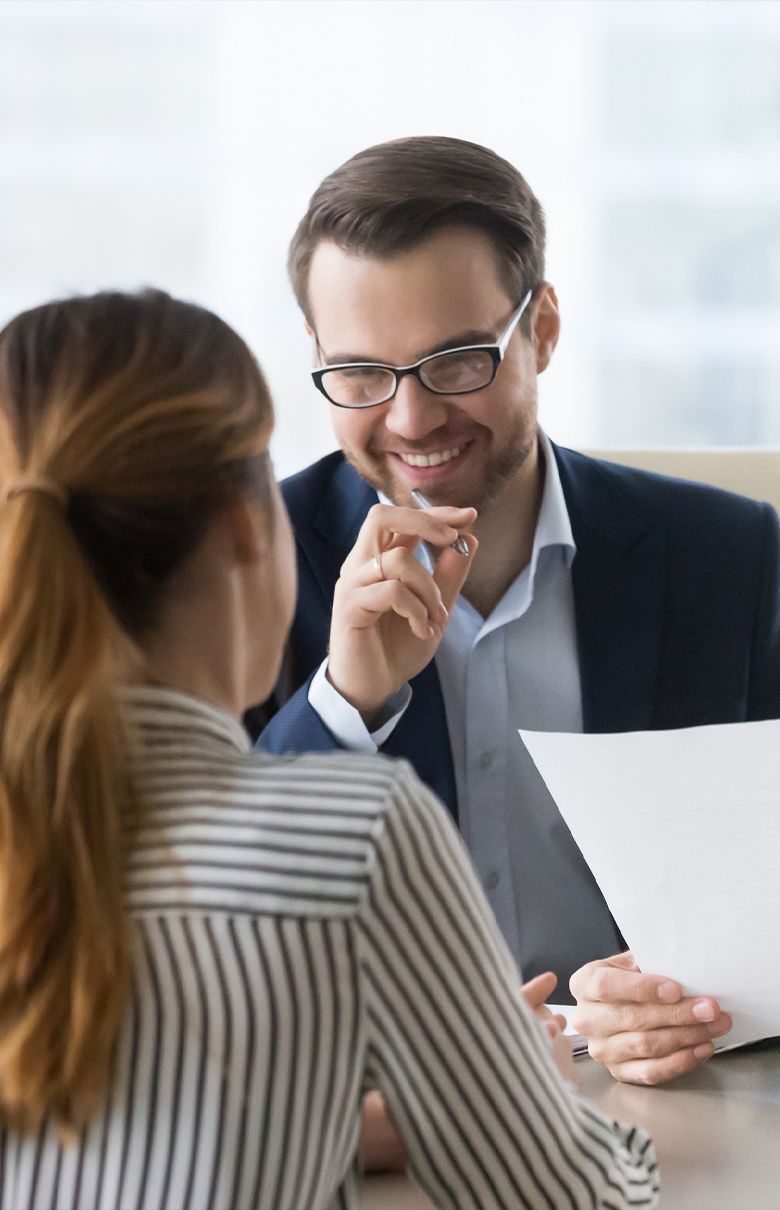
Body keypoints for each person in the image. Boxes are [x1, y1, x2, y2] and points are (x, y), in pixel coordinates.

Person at [0, 288, 658, 1208]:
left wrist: (346, 1126)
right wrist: (512, 1087)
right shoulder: (359, 838)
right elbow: (571, 1195)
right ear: (244, 522)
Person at [256, 135, 780, 1087]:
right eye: (362, 374)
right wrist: (343, 703)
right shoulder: (250, 561)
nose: (411, 420)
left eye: (455, 361)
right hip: (363, 1121)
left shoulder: (728, 558)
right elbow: (194, 908)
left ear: (540, 328)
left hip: (660, 1110)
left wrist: (699, 1004)